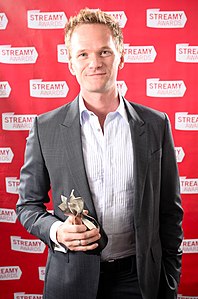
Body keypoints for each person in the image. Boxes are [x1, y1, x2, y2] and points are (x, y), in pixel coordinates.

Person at [16, 8, 183, 299]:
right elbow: (27, 206)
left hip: (140, 282)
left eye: (104, 51)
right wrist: (56, 231)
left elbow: (170, 211)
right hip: (71, 282)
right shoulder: (45, 127)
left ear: (121, 55)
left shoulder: (156, 124)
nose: (94, 63)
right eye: (83, 54)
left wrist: (169, 280)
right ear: (70, 63)